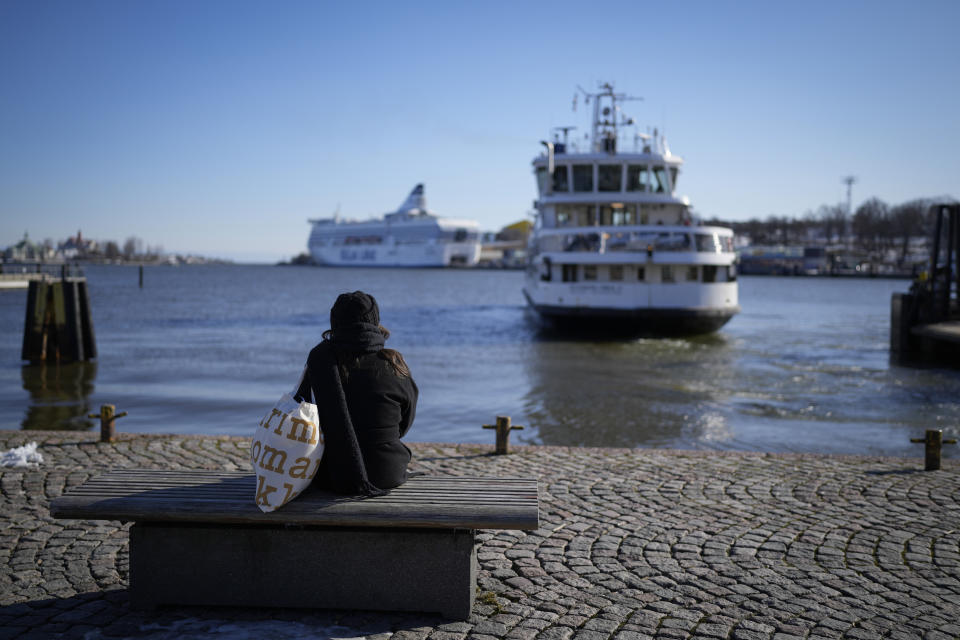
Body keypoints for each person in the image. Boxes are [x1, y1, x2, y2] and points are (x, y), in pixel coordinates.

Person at [300, 291, 417, 496]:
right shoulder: (394, 363)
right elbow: (404, 422)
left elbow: (300, 414)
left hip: (333, 475)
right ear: (375, 321)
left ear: (335, 322)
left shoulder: (322, 363)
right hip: (388, 470)